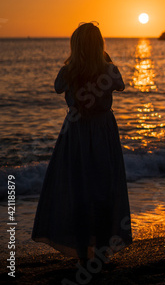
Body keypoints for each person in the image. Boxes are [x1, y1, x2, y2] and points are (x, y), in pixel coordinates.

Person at [31, 22, 132, 265]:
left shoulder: (68, 72)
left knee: (78, 191)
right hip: (103, 134)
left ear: (75, 47)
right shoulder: (109, 70)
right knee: (103, 191)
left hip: (75, 133)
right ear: (100, 46)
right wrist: (104, 60)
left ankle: (82, 253)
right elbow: (122, 85)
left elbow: (57, 88)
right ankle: (101, 252)